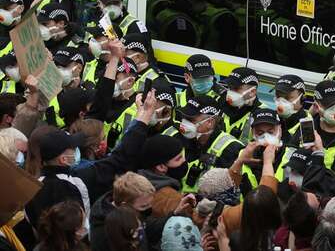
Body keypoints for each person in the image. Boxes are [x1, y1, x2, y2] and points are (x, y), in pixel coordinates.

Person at [25, 94, 157, 229]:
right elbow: (120, 158)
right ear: (63, 159)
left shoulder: (32, 188)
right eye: (72, 148)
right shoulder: (77, 180)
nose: (76, 149)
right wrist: (144, 116)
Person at [162, 94, 244, 193]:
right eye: (184, 118)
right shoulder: (173, 135)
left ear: (210, 122)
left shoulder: (231, 150)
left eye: (191, 119)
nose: (184, 124)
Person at [88, 171, 154, 251]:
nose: (149, 207)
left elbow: (147, 225)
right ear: (124, 205)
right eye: (144, 206)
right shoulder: (105, 230)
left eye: (151, 203)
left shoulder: (131, 205)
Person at [272, 74, 310, 142]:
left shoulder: (308, 125)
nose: (281, 102)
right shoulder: (269, 118)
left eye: (287, 97)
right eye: (278, 96)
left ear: (302, 98)